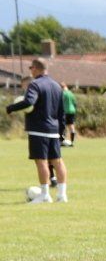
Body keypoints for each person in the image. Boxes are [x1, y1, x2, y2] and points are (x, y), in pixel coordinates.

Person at [9, 58, 66, 202]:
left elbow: (29, 101)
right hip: (54, 130)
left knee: (41, 162)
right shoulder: (57, 86)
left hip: (38, 130)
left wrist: (11, 108)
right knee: (58, 162)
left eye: (30, 68)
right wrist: (61, 132)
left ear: (35, 68)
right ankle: (62, 195)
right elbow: (61, 112)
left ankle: (45, 195)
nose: (30, 71)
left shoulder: (34, 84)